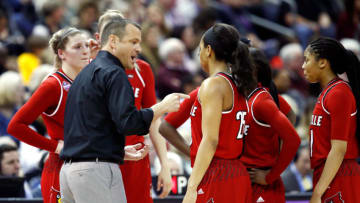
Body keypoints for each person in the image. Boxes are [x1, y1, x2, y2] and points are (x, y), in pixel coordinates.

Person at [59, 19, 188, 203]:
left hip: (70, 172)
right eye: (133, 42)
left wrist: (114, 149)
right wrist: (162, 107)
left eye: (139, 43)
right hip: (95, 173)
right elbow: (128, 123)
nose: (139, 48)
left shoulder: (85, 72)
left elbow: (85, 127)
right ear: (113, 41)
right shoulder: (114, 72)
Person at [95, 10, 172, 202]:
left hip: (136, 156)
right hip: (102, 155)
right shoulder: (90, 69)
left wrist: (165, 165)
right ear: (100, 38)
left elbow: (154, 120)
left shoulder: (143, 69)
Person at [7, 27, 90, 203]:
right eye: (77, 47)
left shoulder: (88, 82)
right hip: (61, 169)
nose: (85, 51)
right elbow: (15, 126)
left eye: (87, 45)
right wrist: (54, 146)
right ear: (61, 53)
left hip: (89, 167)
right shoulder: (53, 85)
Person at [182, 23, 254, 203]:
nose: (199, 55)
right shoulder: (238, 83)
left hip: (216, 172)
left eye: (199, 49)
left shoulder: (213, 85)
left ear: (208, 50)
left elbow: (211, 140)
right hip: (237, 173)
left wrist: (192, 186)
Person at [302, 37, 360, 203]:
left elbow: (339, 149)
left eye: (307, 60)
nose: (303, 66)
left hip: (340, 173)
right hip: (329, 172)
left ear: (322, 63)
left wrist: (317, 192)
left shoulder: (339, 92)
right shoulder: (328, 92)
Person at [243, 48, 300, 203]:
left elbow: (293, 138)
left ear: (253, 69)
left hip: (260, 182)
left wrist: (271, 174)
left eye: (236, 63)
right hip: (241, 180)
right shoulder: (245, 95)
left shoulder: (262, 99)